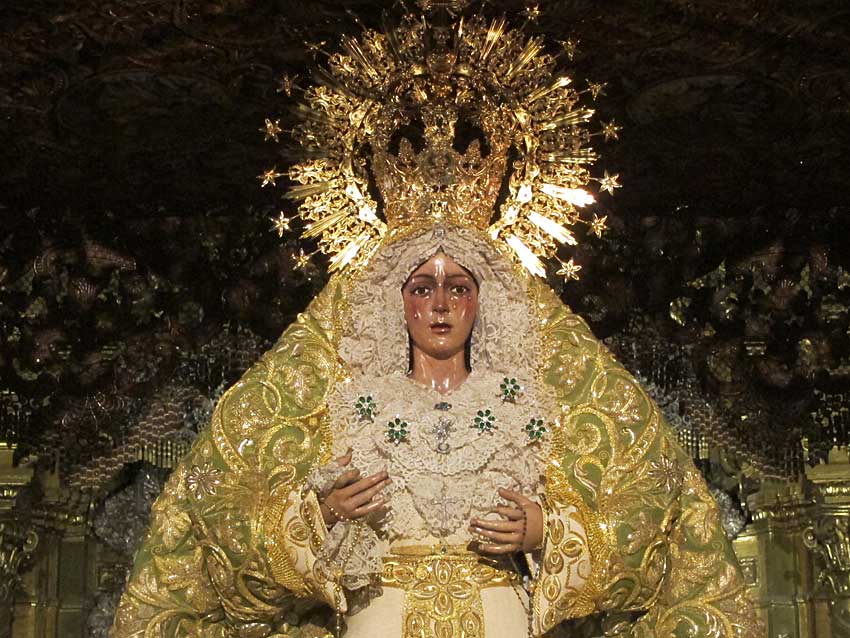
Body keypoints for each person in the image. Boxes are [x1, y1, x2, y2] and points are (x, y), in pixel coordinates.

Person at [111, 7, 762, 638]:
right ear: (396, 301)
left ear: (483, 301)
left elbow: (648, 506)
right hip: (377, 615)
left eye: (459, 287)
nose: (441, 305)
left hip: (500, 613)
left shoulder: (530, 401)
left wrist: (548, 533)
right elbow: (222, 510)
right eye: (422, 287)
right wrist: (320, 516)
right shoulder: (347, 402)